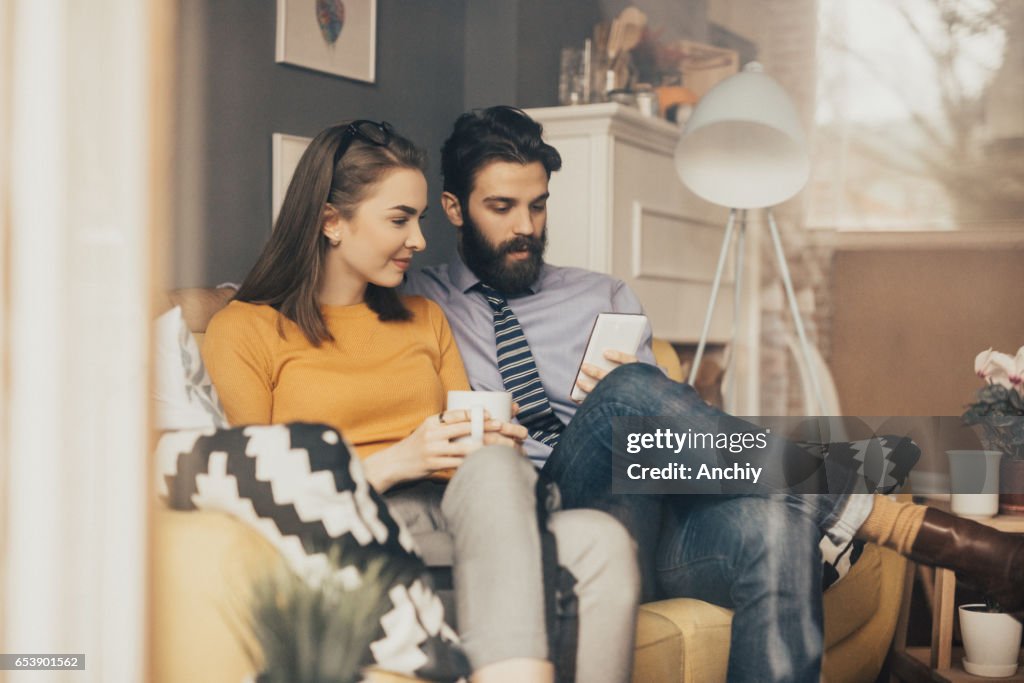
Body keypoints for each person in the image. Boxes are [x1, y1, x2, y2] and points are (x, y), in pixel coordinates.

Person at [403, 105, 1024, 682]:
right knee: (625, 397)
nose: (526, 228)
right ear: (455, 209)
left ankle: (868, 511)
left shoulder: (602, 294)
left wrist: (644, 391)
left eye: (538, 206)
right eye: (502, 207)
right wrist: (623, 400)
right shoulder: (419, 304)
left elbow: (663, 447)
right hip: (550, 514)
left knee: (774, 528)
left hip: (645, 513)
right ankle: (890, 518)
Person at [202, 120, 639, 683]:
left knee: (600, 540)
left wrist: (485, 439)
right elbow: (254, 495)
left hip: (462, 512)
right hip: (358, 518)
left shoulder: (424, 317)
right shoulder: (246, 330)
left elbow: (463, 440)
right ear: (332, 222)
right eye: (399, 220)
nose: (419, 240)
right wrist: (399, 460)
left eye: (419, 219)